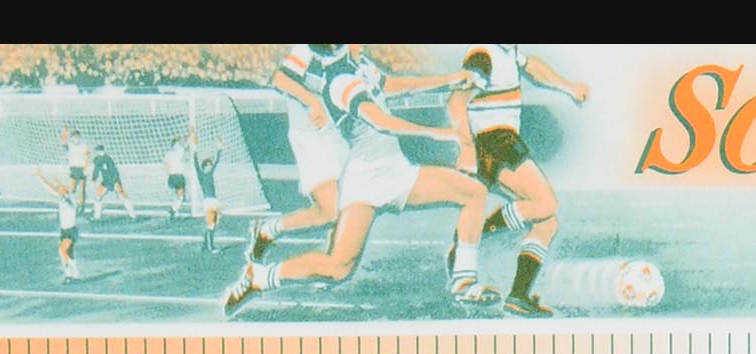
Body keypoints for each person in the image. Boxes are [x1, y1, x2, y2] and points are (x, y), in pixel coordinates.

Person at [225, 46, 496, 313]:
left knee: (474, 192)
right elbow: (380, 121)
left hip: (396, 170)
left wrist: (450, 79)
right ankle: (261, 277)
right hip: (367, 180)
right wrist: (439, 133)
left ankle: (463, 281)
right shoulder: (340, 80)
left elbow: (393, 85)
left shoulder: (361, 65)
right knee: (338, 268)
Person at [446, 44, 589, 316]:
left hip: (502, 140)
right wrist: (466, 147)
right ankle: (474, 237)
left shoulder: (507, 51)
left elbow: (532, 66)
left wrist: (568, 87)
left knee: (547, 222)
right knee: (546, 203)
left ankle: (518, 296)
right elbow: (456, 101)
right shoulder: (483, 55)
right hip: (494, 141)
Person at [244, 41, 349, 264]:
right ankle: (269, 229)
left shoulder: (349, 51)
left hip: (339, 135)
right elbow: (280, 79)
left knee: (346, 205)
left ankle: (333, 259)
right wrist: (313, 101)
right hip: (311, 136)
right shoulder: (307, 49)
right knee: (330, 211)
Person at [34, 169, 82, 282]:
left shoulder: (71, 199)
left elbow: (55, 190)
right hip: (64, 231)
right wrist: (43, 179)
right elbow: (53, 189)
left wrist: (44, 179)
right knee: (68, 253)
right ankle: (69, 275)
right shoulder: (64, 198)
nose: (61, 190)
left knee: (62, 250)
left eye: (63, 189)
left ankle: (75, 271)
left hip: (71, 231)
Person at [189, 131, 223, 252]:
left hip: (215, 201)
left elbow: (217, 161)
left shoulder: (211, 173)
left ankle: (205, 245)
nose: (210, 166)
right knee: (211, 225)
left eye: (210, 165)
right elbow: (195, 163)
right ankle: (210, 247)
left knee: (215, 223)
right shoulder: (201, 175)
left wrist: (219, 148)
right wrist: (194, 149)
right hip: (208, 202)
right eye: (208, 165)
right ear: (204, 167)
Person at [88, 147, 135, 220]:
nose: (100, 152)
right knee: (98, 197)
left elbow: (114, 171)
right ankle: (96, 217)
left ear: (104, 151)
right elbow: (96, 170)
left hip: (114, 181)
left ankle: (133, 215)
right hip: (105, 182)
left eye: (101, 151)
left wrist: (116, 182)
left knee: (123, 197)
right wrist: (93, 179)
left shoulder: (108, 159)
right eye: (98, 151)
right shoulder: (97, 160)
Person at [164, 136, 191, 219]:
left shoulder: (168, 154)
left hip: (172, 176)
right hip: (178, 176)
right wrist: (190, 135)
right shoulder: (179, 151)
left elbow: (166, 165)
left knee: (178, 195)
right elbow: (186, 145)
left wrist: (170, 175)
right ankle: (173, 211)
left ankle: (174, 210)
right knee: (181, 197)